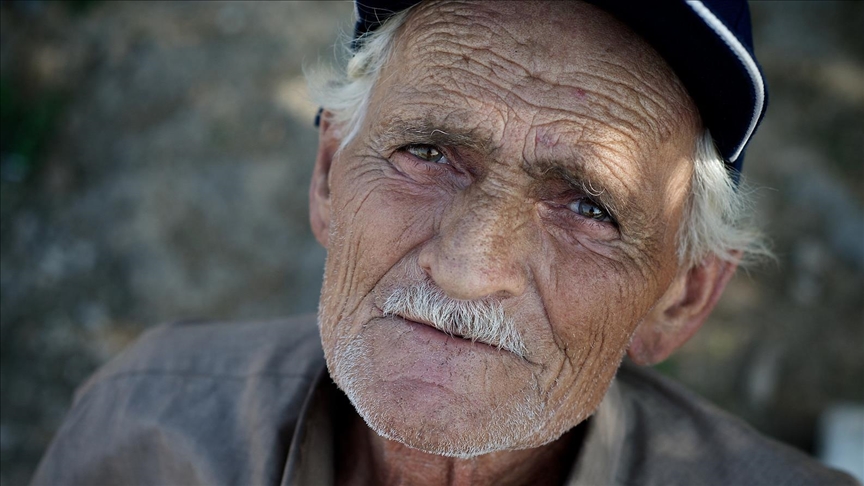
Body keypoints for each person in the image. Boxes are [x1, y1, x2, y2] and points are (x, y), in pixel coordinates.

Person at [31, 1, 859, 485]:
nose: (467, 270)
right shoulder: (137, 430)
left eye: (586, 206)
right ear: (327, 174)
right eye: (428, 152)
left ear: (681, 296)